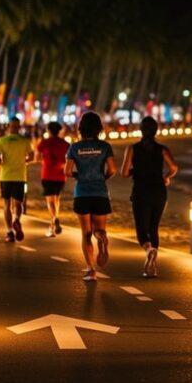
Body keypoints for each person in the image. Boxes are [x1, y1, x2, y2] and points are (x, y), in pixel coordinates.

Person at [121, 116, 178, 277]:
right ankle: (153, 266)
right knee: (154, 227)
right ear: (156, 131)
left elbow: (124, 173)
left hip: (141, 191)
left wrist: (136, 170)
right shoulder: (162, 149)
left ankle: (148, 250)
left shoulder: (132, 148)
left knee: (142, 229)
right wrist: (166, 176)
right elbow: (173, 167)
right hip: (159, 191)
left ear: (141, 130)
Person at [64, 112, 115, 281]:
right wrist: (103, 178)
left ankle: (91, 270)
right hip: (100, 192)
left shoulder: (74, 148)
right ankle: (102, 237)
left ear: (81, 128)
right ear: (99, 128)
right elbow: (113, 170)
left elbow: (67, 171)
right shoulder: (105, 146)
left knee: (86, 233)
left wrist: (79, 175)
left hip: (82, 193)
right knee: (100, 229)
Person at [0, 117, 34, 242]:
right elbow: (32, 157)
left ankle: (9, 231)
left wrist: (3, 163)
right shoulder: (25, 141)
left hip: (6, 176)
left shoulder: (1, 141)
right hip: (20, 176)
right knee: (18, 203)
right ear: (19, 127)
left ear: (8, 126)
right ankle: (17, 219)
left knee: (7, 204)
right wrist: (24, 162)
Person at [37, 121, 70, 237]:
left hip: (47, 174)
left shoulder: (44, 143)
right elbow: (69, 160)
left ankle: (55, 218)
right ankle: (52, 226)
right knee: (57, 200)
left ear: (48, 130)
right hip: (61, 176)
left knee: (50, 201)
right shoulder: (65, 144)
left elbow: (37, 157)